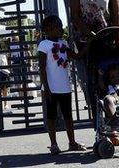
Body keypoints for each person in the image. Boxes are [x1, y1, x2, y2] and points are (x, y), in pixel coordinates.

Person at [36, 15, 84, 154]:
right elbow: (42, 68)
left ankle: (72, 142)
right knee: (51, 117)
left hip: (65, 87)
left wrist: (90, 43)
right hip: (51, 88)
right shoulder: (44, 45)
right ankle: (54, 144)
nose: (61, 30)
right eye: (58, 27)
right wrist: (46, 87)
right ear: (48, 29)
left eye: (61, 26)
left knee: (68, 116)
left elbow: (76, 56)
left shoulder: (64, 43)